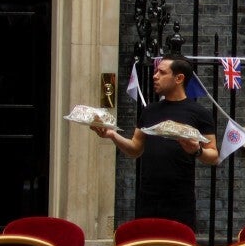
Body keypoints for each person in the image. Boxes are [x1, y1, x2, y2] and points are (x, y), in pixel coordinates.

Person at [91, 55, 218, 229]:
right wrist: (112, 135)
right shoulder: (150, 111)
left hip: (179, 199)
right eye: (156, 71)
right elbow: (135, 148)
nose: (155, 76)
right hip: (148, 197)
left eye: (162, 72)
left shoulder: (199, 113)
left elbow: (213, 154)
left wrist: (197, 151)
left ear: (179, 78)